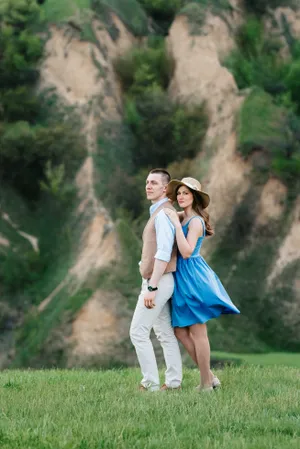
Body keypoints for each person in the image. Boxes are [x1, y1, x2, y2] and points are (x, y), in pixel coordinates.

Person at [165, 177, 240, 392]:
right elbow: (168, 215)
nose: (180, 197)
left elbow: (187, 252)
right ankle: (210, 377)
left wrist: (177, 228)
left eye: (186, 193)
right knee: (180, 331)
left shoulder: (195, 221)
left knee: (198, 332)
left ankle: (206, 383)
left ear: (194, 197)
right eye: (179, 193)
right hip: (182, 277)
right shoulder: (184, 216)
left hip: (192, 277)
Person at [130, 169, 183, 392]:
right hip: (161, 280)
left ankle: (150, 383)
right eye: (146, 182)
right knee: (163, 333)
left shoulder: (162, 214)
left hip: (158, 282)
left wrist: (151, 286)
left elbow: (163, 252)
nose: (148, 186)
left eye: (153, 183)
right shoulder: (161, 212)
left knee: (138, 331)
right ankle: (173, 384)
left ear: (165, 188)